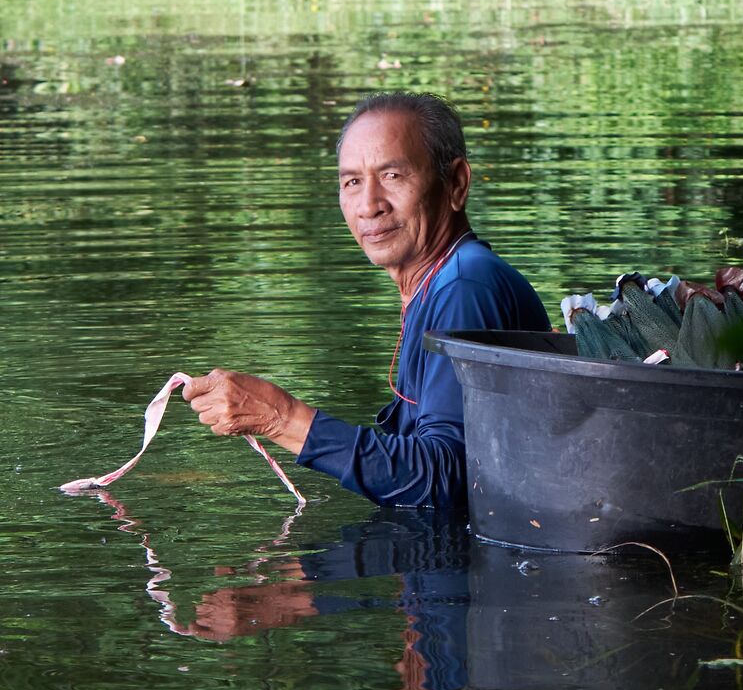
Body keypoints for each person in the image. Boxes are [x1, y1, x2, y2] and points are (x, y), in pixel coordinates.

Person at [180, 92, 548, 511]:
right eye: (352, 182)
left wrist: (282, 418)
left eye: (392, 175)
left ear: (456, 184)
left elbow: (447, 481)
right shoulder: (437, 283)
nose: (369, 206)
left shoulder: (466, 287)